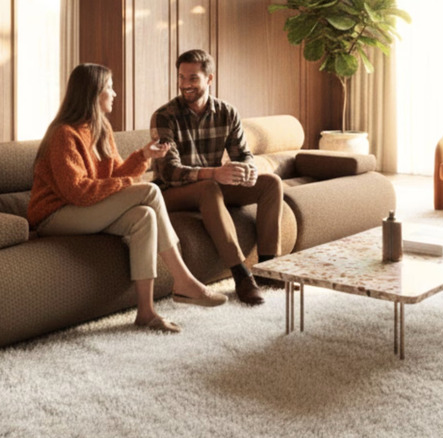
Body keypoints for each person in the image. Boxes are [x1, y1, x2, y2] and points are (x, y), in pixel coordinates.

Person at [27, 63, 227, 334]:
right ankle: (184, 280)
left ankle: (146, 312)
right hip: (56, 215)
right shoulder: (64, 134)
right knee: (150, 191)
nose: (114, 94)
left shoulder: (101, 128)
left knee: (144, 217)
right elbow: (77, 191)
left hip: (86, 209)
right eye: (109, 88)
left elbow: (114, 175)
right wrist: (128, 184)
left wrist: (144, 156)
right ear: (93, 93)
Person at [150, 49, 283, 306]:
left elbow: (243, 154)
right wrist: (214, 173)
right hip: (170, 192)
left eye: (193, 78)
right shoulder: (164, 116)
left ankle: (268, 269)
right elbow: (169, 171)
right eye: (181, 77)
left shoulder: (227, 112)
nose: (185, 84)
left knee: (271, 184)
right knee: (209, 187)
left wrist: (248, 170)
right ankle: (242, 276)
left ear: (209, 79)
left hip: (212, 185)